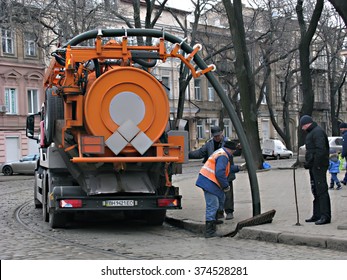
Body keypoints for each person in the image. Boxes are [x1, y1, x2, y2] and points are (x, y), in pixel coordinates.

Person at [189, 126, 241, 220]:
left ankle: (229, 211)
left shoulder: (227, 143)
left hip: (226, 173)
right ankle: (218, 213)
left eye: (218, 135)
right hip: (214, 175)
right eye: (215, 136)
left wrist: (240, 150)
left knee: (227, 193)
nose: (217, 137)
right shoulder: (209, 144)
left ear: (221, 133)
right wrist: (187, 154)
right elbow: (200, 153)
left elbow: (236, 153)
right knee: (217, 196)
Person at [195, 141, 244, 238]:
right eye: (233, 151)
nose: (233, 153)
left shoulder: (220, 152)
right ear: (231, 150)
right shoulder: (223, 156)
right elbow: (220, 172)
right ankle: (209, 231)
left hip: (208, 180)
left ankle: (214, 219)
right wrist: (226, 186)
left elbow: (226, 168)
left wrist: (239, 168)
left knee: (220, 199)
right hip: (209, 182)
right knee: (213, 205)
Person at [300, 115, 331, 225]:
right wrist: (309, 164)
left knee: (321, 190)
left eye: (302, 126)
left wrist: (316, 164)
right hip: (314, 166)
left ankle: (325, 216)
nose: (302, 129)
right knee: (315, 190)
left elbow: (320, 150)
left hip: (319, 166)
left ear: (306, 124)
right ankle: (317, 214)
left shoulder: (317, 132)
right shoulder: (311, 132)